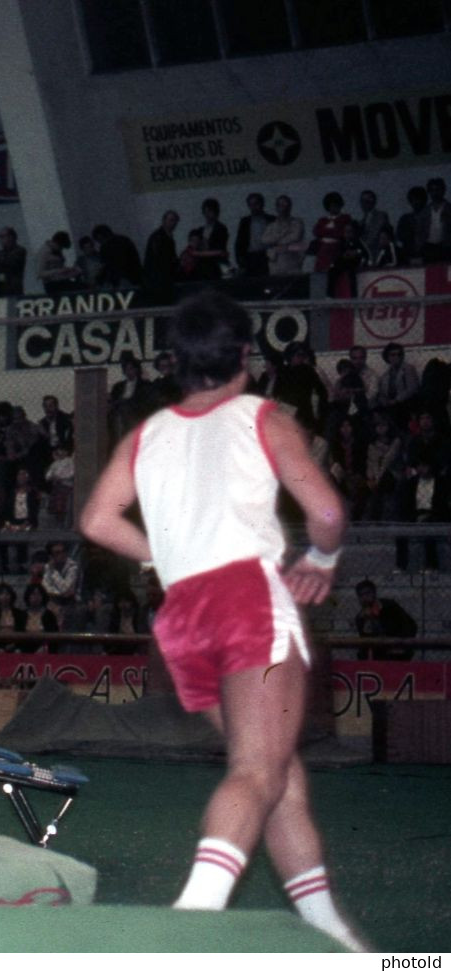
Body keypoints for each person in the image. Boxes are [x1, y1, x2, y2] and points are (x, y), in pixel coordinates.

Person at [79, 290, 364, 952]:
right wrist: (321, 559)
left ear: (175, 361)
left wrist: (168, 553)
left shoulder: (146, 432)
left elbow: (94, 519)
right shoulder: (261, 416)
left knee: (275, 770)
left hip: (182, 613)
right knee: (257, 770)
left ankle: (324, 926)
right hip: (244, 600)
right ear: (244, 354)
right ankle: (190, 920)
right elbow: (324, 513)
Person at [353, 579, 416, 662]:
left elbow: (410, 625)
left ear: (374, 593)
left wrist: (401, 644)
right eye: (361, 595)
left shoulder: (390, 606)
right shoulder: (360, 618)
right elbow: (365, 640)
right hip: (378, 654)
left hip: (397, 650)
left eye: (368, 593)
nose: (365, 597)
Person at [234, 193, 273, 278]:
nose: (254, 207)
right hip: (251, 258)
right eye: (251, 205)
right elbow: (239, 243)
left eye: (256, 204)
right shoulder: (245, 222)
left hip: (267, 256)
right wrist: (241, 262)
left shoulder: (271, 220)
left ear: (262, 204)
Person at [0, 226, 26, 297]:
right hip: (0, 289)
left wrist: (0, 263)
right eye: (0, 237)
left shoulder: (19, 250)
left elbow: (11, 265)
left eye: (2, 237)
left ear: (11, 237)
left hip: (13, 289)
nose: (0, 240)